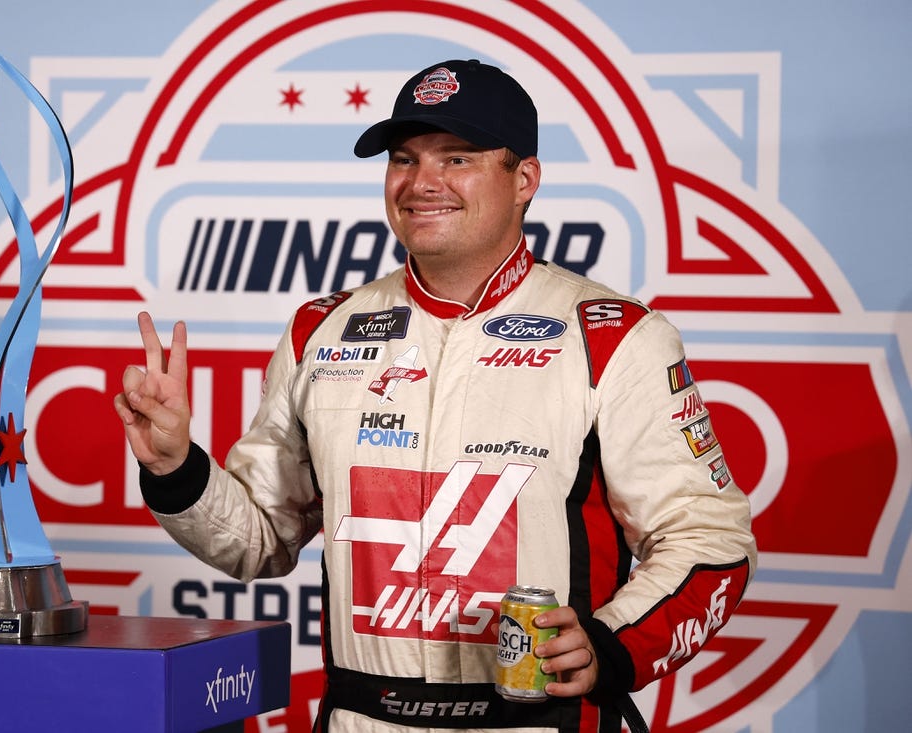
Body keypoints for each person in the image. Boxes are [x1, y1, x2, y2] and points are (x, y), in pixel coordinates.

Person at [114, 59, 756, 732]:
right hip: (362, 718)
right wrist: (175, 466)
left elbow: (710, 541)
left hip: (540, 718)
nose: (422, 183)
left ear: (524, 180)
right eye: (403, 159)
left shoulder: (615, 336)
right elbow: (259, 537)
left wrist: (611, 643)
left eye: (457, 157)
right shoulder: (321, 331)